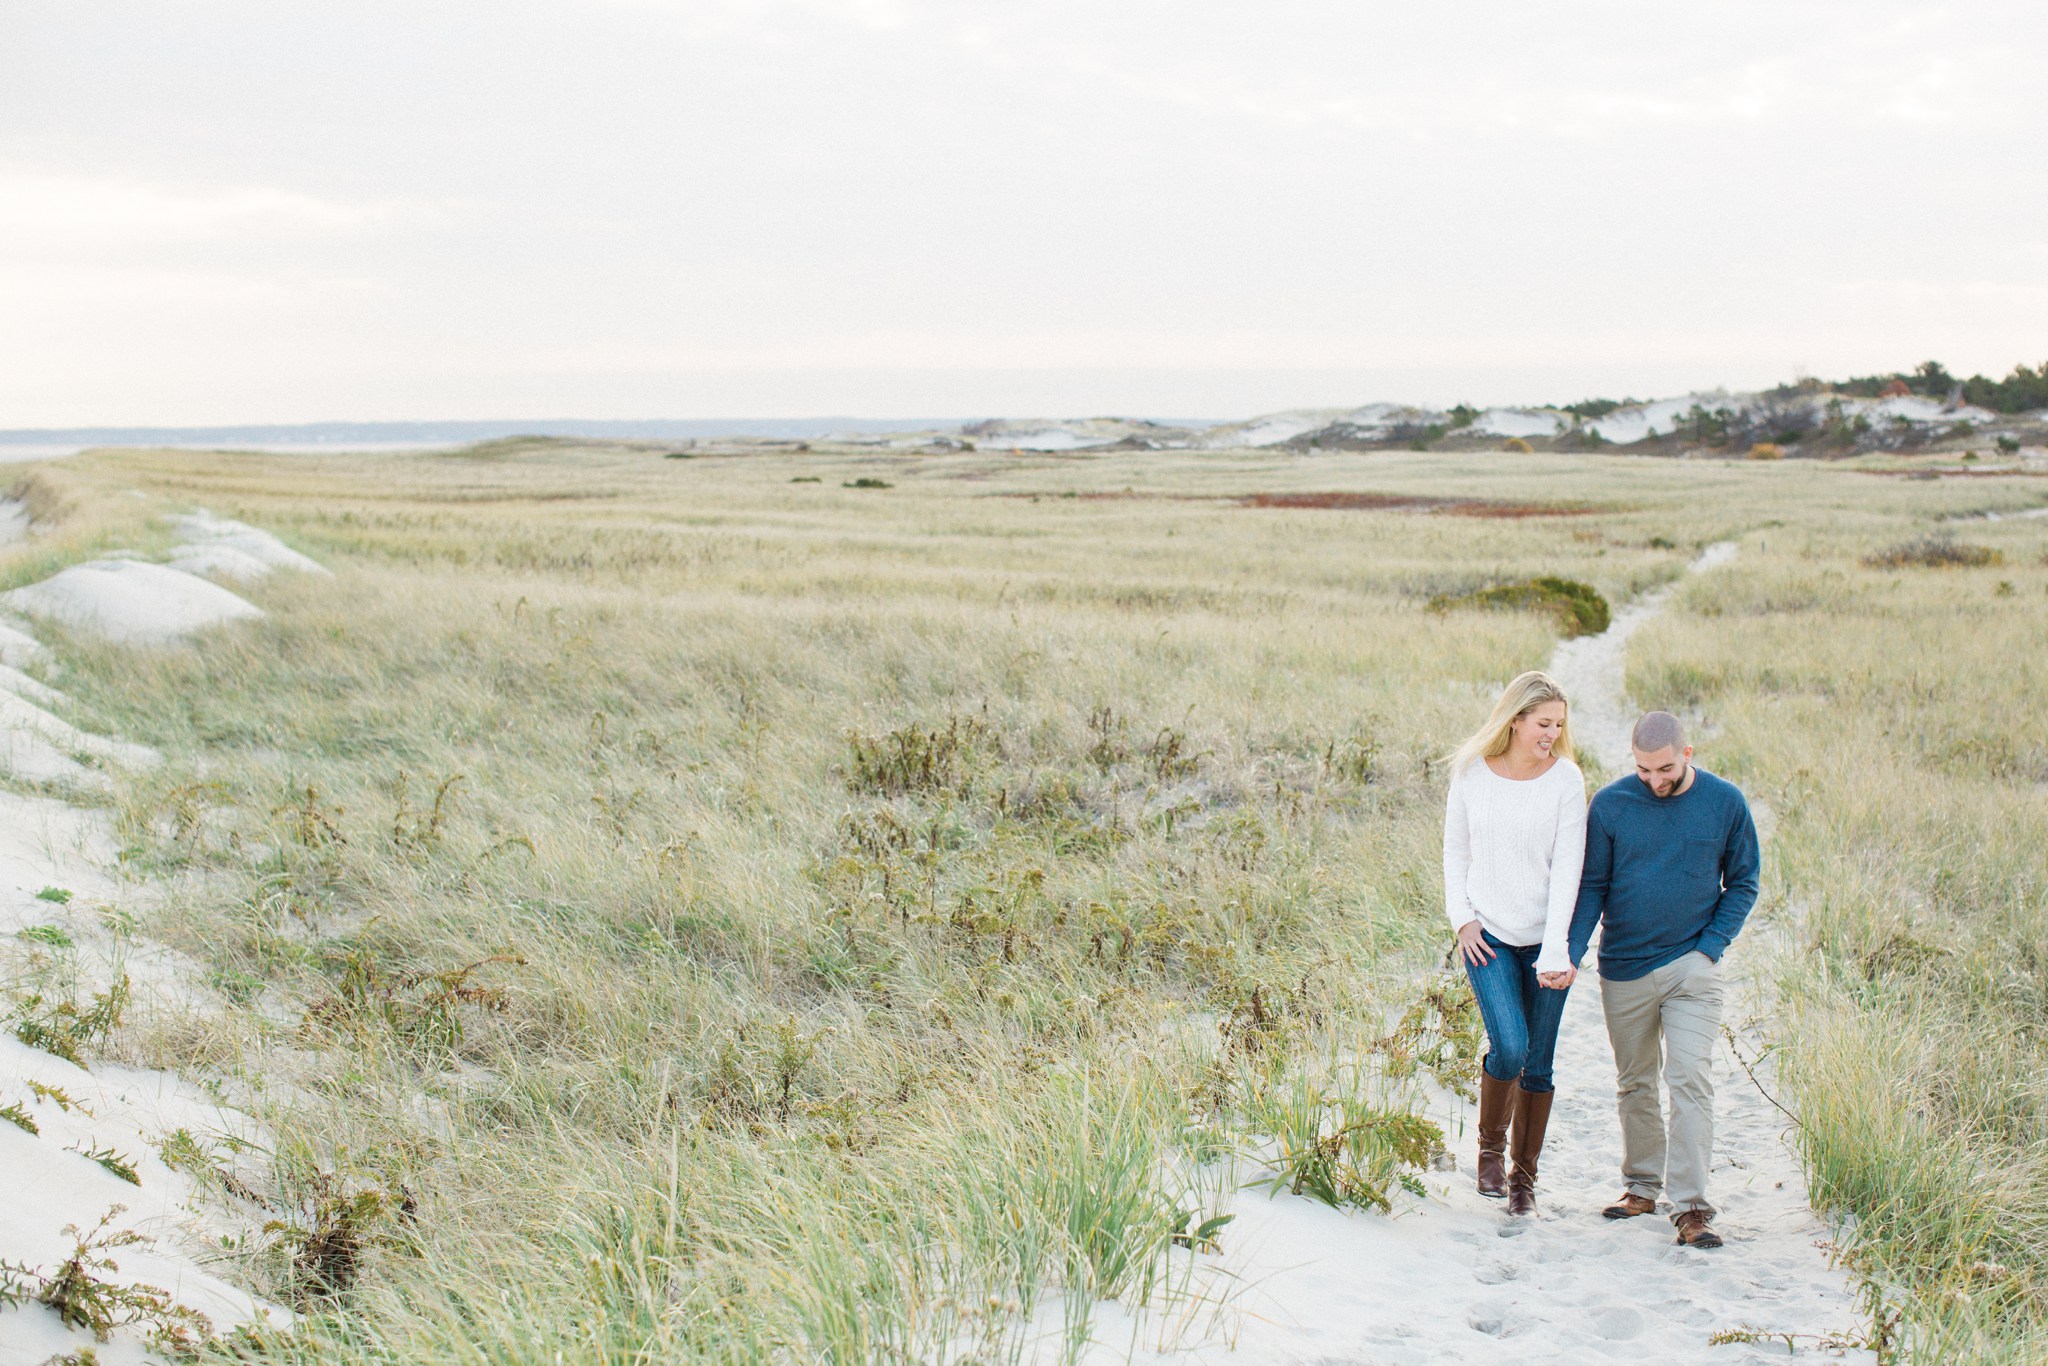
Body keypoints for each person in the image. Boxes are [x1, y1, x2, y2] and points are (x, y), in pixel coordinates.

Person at [1566, 711, 1760, 1250]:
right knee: (1635, 1082)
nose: (1655, 780)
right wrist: (1571, 952)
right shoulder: (1610, 805)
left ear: (1688, 753)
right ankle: (1642, 1188)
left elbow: (1744, 882)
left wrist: (1709, 949)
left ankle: (1693, 1207)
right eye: (1644, 770)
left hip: (1691, 969)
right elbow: (1592, 887)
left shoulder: (1725, 803)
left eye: (1666, 768)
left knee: (1690, 1079)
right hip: (1623, 968)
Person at [1442, 670, 1587, 1216]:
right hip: (1490, 937)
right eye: (1543, 724)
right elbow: (1456, 853)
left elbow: (1570, 868)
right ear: (1515, 719)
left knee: (1540, 1063)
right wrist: (1463, 920)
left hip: (1547, 942)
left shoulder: (1566, 780)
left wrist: (1557, 949)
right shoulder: (1472, 774)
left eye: (1558, 725)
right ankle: (1489, 1152)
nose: (1551, 733)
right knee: (1509, 1046)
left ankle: (1524, 1181)